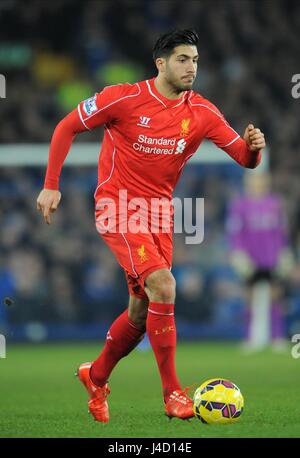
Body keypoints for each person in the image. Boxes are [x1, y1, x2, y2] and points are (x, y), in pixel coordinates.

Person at [36, 29, 265, 422]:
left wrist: (255, 148)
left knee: (142, 314)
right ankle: (173, 393)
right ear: (160, 63)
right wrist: (50, 186)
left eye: (194, 59)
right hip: (118, 207)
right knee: (164, 285)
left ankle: (95, 375)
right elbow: (65, 126)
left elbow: (243, 158)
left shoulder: (203, 112)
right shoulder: (122, 98)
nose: (191, 66)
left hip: (159, 216)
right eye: (182, 59)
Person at [227, 170, 293, 351]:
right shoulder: (239, 205)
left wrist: (284, 251)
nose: (258, 184)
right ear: (248, 184)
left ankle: (277, 337)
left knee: (275, 297)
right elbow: (235, 232)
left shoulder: (275, 204)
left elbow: (281, 231)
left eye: (261, 181)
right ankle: (250, 337)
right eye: (254, 181)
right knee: (249, 298)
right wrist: (237, 253)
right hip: (250, 258)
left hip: (271, 257)